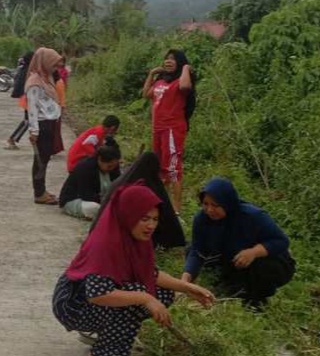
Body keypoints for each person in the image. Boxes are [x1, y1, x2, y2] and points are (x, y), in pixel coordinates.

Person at [53, 183, 215, 356]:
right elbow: (97, 294)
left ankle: (109, 340)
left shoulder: (134, 238)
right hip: (74, 305)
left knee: (162, 293)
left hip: (93, 300)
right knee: (139, 294)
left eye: (155, 219)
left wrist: (188, 288)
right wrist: (145, 298)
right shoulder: (106, 244)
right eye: (144, 219)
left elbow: (151, 274)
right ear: (128, 216)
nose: (151, 226)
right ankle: (109, 351)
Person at [182, 177, 295, 310]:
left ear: (227, 203)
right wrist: (185, 278)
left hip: (263, 262)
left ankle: (256, 301)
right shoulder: (202, 219)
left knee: (262, 266)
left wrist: (253, 252)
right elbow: (197, 251)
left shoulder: (252, 216)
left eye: (215, 205)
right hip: (231, 259)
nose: (209, 210)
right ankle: (227, 285)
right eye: (206, 204)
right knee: (190, 249)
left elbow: (281, 241)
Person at [142, 49, 195, 214]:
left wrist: (186, 67)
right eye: (167, 58)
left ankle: (176, 210)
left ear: (179, 62)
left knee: (173, 169)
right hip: (157, 130)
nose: (168, 61)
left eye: (173, 59)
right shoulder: (160, 82)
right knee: (159, 168)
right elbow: (146, 94)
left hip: (172, 130)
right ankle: (160, 203)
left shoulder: (179, 82)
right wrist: (151, 74)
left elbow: (186, 85)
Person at [26, 47, 63, 205]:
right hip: (42, 125)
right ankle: (39, 193)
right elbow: (32, 108)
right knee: (40, 160)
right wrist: (34, 130)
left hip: (50, 123)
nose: (55, 69)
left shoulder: (46, 79)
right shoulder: (35, 82)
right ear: (45, 62)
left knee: (45, 159)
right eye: (53, 65)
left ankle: (42, 190)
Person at [59, 146, 121, 220]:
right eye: (109, 166)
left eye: (114, 166)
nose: (112, 169)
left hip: (103, 200)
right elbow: (86, 195)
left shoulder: (114, 169)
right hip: (77, 200)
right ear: (100, 160)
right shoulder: (85, 168)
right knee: (95, 208)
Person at [6, 51, 34, 150]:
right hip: (28, 98)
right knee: (28, 121)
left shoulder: (24, 69)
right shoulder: (28, 70)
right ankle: (12, 139)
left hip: (27, 98)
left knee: (29, 120)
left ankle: (13, 139)